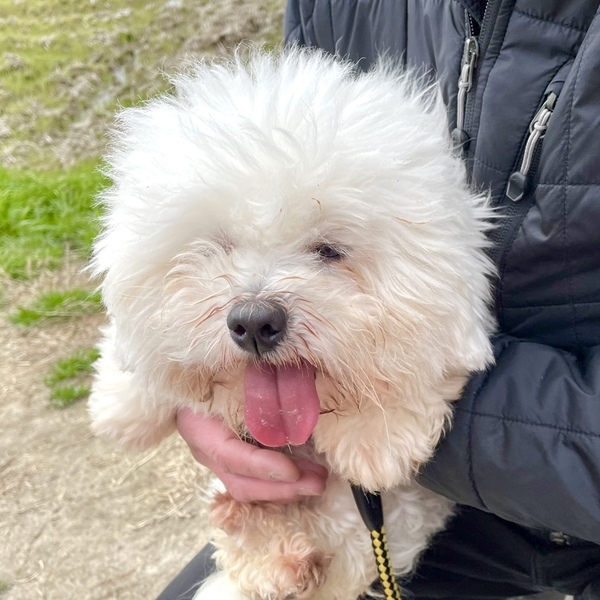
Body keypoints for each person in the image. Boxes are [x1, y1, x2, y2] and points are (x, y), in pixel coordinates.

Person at [157, 1, 600, 598]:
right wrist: (183, 387)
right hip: (429, 500)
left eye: (327, 252)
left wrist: (407, 399)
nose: (257, 306)